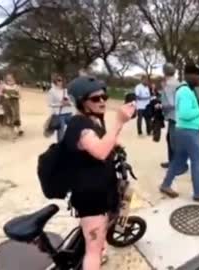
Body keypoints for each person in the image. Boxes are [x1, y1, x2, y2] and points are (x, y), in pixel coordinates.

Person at [64, 76, 135, 269]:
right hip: (91, 198)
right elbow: (100, 151)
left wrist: (115, 142)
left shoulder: (91, 120)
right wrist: (119, 122)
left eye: (104, 97)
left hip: (99, 191)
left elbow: (102, 141)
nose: (102, 101)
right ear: (81, 102)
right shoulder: (80, 127)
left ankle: (99, 247)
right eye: (95, 99)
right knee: (92, 252)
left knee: (97, 236)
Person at [159, 64, 199, 203]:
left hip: (183, 130)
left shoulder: (187, 90)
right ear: (189, 75)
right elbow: (184, 114)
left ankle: (165, 185)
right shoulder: (185, 91)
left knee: (178, 160)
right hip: (188, 131)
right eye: (197, 74)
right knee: (197, 161)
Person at [160, 63, 180, 169]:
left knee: (173, 141)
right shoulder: (178, 83)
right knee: (171, 139)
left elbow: (171, 103)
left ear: (164, 72)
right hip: (179, 115)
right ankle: (173, 162)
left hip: (173, 116)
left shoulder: (168, 84)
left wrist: (160, 105)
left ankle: (176, 163)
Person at [48, 75, 73, 142]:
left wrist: (69, 103)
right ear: (55, 81)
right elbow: (50, 104)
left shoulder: (65, 90)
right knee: (61, 133)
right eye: (58, 80)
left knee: (73, 128)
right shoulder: (52, 91)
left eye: (61, 80)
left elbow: (72, 101)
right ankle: (60, 147)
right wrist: (60, 104)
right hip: (59, 114)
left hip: (68, 113)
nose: (60, 82)